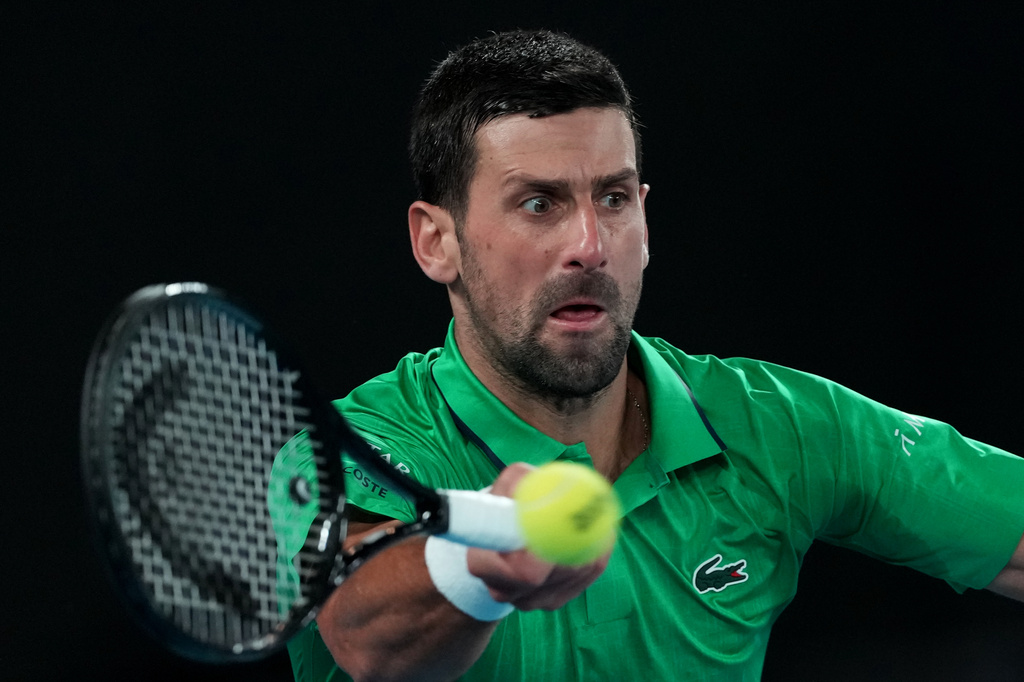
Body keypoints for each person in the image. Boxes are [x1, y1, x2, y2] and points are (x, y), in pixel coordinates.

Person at [286, 29, 1024, 681]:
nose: (589, 246)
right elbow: (367, 637)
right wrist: (476, 567)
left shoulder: (777, 425)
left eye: (612, 199)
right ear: (435, 241)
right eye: (538, 203)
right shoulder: (348, 450)